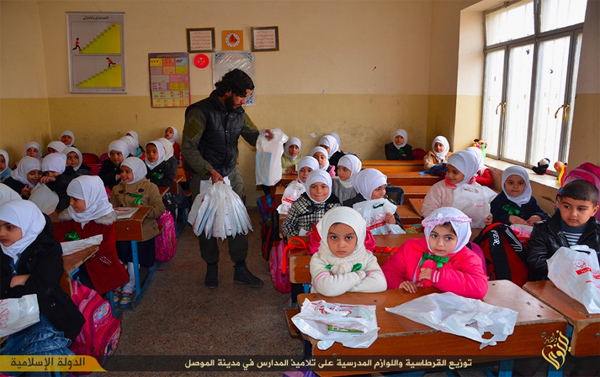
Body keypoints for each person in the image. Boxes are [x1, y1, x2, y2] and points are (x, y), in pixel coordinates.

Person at [181, 68, 272, 289]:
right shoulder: (199, 111)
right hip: (206, 176)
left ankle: (240, 268)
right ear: (228, 91)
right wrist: (208, 170)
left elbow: (251, 136)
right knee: (207, 222)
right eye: (241, 96)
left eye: (247, 97)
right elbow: (188, 148)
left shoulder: (238, 111)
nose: (244, 101)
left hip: (231, 173)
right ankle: (211, 267)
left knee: (238, 219)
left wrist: (266, 137)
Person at [0, 200, 85, 364]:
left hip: (47, 314)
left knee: (38, 349)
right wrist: (15, 280)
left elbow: (42, 290)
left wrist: (7, 286)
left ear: (27, 225)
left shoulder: (47, 248)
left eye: (9, 227)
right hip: (10, 315)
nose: (2, 233)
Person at [382, 207, 488, 299]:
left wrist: (438, 277)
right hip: (412, 304)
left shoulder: (467, 258)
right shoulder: (411, 247)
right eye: (434, 236)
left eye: (448, 238)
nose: (440, 244)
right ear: (428, 233)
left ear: (461, 238)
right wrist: (398, 284)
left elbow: (480, 288)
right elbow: (389, 271)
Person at [54, 175, 129, 296]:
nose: (71, 203)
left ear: (91, 197)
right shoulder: (68, 217)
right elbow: (59, 240)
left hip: (100, 265)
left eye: (75, 199)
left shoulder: (105, 219)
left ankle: (92, 307)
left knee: (83, 288)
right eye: (70, 198)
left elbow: (107, 247)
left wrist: (80, 252)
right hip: (73, 265)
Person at [110, 157, 165, 307]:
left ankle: (130, 285)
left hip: (144, 228)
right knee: (117, 250)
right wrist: (113, 210)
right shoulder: (117, 188)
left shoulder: (150, 187)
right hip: (122, 228)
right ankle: (119, 282)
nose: (123, 175)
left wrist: (145, 211)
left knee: (132, 254)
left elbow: (160, 209)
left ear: (138, 171)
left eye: (128, 172)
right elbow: (111, 207)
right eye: (122, 171)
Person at [527, 180, 599, 281]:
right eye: (567, 206)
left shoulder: (598, 233)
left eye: (581, 209)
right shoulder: (543, 230)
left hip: (587, 288)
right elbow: (536, 262)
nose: (573, 214)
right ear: (559, 204)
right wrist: (571, 270)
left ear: (594, 211)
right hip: (549, 286)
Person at [309, 207, 386, 296]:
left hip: (357, 306)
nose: (341, 245)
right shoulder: (319, 258)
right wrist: (358, 276)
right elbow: (327, 289)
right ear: (324, 236)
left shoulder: (367, 257)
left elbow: (380, 284)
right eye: (334, 237)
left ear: (359, 237)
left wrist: (338, 287)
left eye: (348, 238)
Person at [422, 150, 495, 227]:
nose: (449, 175)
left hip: (472, 232)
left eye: (455, 172)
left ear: (468, 171)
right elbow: (428, 210)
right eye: (448, 170)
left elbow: (483, 210)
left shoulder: (478, 190)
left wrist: (488, 217)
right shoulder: (439, 188)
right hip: (444, 231)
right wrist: (443, 222)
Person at [282, 170, 340, 237]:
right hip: (303, 245)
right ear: (307, 187)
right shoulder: (299, 204)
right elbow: (287, 225)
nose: (319, 191)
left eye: (323, 187)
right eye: (314, 187)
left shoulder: (336, 207)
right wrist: (298, 238)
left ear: (329, 187)